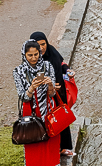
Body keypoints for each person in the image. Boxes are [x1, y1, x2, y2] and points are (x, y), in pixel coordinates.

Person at [13, 40, 60, 166]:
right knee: (33, 144)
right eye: (30, 55)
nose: (33, 58)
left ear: (40, 53)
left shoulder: (48, 66)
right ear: (24, 55)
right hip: (30, 113)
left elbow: (53, 95)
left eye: (36, 54)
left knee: (50, 145)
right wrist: (32, 88)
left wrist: (50, 86)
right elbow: (22, 96)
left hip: (48, 111)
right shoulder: (18, 71)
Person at [30, 30, 76, 158]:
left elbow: (61, 63)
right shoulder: (33, 61)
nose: (42, 48)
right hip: (44, 98)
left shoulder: (52, 51)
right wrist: (48, 86)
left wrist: (67, 70)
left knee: (62, 118)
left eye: (43, 44)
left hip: (59, 93)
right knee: (48, 122)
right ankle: (50, 149)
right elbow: (32, 82)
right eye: (38, 45)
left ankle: (63, 147)